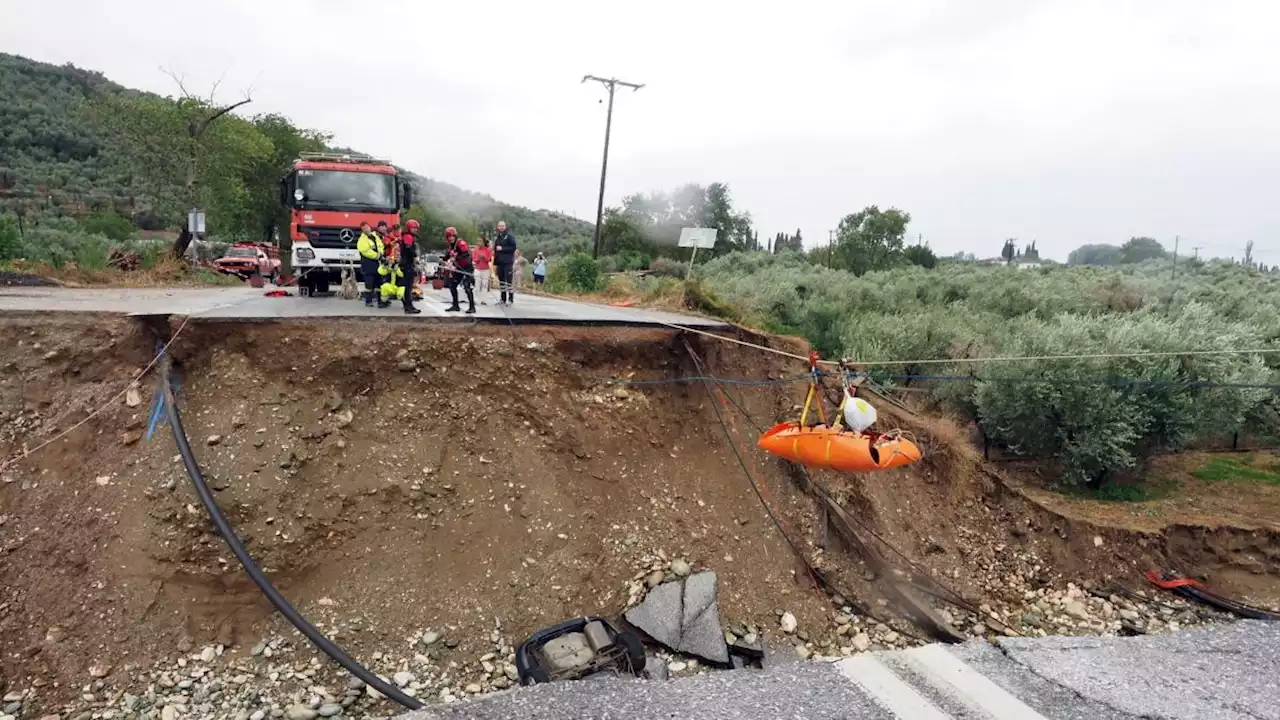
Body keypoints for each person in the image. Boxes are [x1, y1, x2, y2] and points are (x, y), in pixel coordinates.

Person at [355, 221, 384, 307]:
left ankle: (380, 301)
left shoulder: (375, 236)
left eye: (367, 227)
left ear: (369, 227)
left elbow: (381, 246)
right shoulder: (362, 240)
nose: (366, 229)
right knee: (369, 284)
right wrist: (377, 256)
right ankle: (368, 301)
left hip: (378, 263)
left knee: (379, 283)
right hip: (368, 263)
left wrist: (381, 254)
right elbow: (365, 251)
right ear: (362, 230)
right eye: (364, 228)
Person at [447, 239, 477, 314]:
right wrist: (444, 259)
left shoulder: (460, 243)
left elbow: (466, 254)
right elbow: (448, 255)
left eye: (452, 237)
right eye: (449, 237)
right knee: (452, 285)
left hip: (467, 267)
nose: (451, 239)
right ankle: (455, 305)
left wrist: (456, 258)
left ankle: (472, 307)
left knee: (467, 286)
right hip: (458, 267)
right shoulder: (451, 246)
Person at [399, 219, 421, 314]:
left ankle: (408, 305)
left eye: (416, 228)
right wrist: (415, 256)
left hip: (406, 263)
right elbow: (408, 249)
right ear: (409, 228)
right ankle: (409, 306)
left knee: (408, 286)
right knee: (408, 287)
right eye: (413, 228)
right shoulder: (408, 237)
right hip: (407, 264)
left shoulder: (407, 236)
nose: (415, 230)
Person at [493, 220, 517, 305]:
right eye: (499, 226)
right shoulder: (498, 237)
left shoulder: (510, 237)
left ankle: (510, 299)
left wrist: (502, 248)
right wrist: (495, 264)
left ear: (505, 227)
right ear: (497, 227)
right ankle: (502, 299)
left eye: (502, 226)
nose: (501, 227)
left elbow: (513, 247)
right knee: (501, 281)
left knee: (508, 281)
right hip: (500, 263)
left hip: (508, 262)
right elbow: (495, 251)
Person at [473, 237, 493, 304]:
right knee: (477, 284)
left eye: (480, 241)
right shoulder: (476, 249)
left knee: (484, 285)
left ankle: (483, 300)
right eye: (478, 241)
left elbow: (489, 259)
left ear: (484, 242)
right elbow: (474, 259)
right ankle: (475, 299)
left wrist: (484, 257)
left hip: (485, 269)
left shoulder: (488, 250)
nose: (479, 243)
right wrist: (478, 259)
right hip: (477, 269)